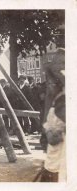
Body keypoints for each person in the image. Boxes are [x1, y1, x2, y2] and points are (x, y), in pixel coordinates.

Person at [41, 48, 66, 182]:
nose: (50, 87)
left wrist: (55, 133)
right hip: (53, 159)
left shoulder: (62, 102)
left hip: (61, 163)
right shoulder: (53, 101)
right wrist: (47, 131)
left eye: (53, 83)